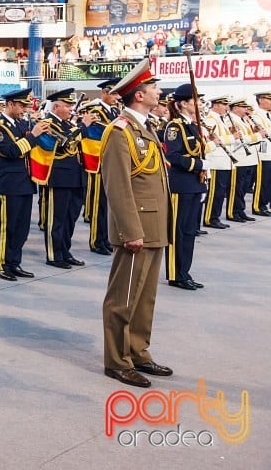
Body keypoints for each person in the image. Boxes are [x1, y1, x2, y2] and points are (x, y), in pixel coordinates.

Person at [100, 59, 172, 388]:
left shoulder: (146, 127)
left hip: (154, 225)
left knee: (145, 299)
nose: (159, 91)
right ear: (140, 94)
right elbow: (117, 185)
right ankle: (117, 360)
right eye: (154, 87)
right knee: (123, 298)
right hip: (137, 228)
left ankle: (138, 350)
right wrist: (130, 231)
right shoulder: (119, 132)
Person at [0, 88, 50, 281]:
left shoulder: (22, 124)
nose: (25, 109)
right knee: (8, 226)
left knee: (22, 227)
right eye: (22, 105)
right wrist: (33, 136)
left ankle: (14, 262)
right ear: (10, 104)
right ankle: (1, 263)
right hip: (9, 184)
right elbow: (12, 151)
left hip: (25, 182)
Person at [37, 88, 91, 269]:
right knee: (57, 218)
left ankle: (65, 251)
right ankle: (54, 254)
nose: (71, 109)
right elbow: (62, 143)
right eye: (67, 105)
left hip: (76, 176)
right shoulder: (47, 123)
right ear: (57, 106)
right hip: (59, 177)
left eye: (70, 105)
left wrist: (80, 128)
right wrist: (82, 126)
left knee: (70, 218)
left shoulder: (69, 124)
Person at [162, 84, 208, 291]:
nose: (198, 104)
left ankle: (184, 272)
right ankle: (175, 273)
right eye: (194, 100)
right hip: (180, 184)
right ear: (182, 104)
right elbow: (172, 156)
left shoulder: (193, 126)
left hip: (194, 185)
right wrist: (199, 165)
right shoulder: (175, 127)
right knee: (177, 231)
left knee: (189, 231)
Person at [84, 80, 120, 254]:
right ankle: (97, 241)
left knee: (110, 205)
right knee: (99, 205)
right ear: (103, 93)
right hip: (100, 163)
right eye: (112, 94)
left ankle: (106, 238)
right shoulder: (96, 111)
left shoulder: (114, 111)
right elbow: (95, 136)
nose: (116, 97)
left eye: (116, 94)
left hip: (111, 163)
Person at [202, 96, 234, 228]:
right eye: (223, 104)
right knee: (215, 192)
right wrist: (233, 136)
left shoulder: (222, 120)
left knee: (220, 193)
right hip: (216, 161)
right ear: (216, 105)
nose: (226, 107)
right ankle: (210, 218)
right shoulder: (210, 119)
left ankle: (215, 217)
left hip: (224, 161)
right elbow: (214, 139)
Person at [226, 97, 259, 222]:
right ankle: (233, 212)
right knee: (237, 188)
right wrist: (256, 136)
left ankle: (240, 210)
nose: (246, 110)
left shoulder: (243, 120)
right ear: (235, 108)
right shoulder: (231, 121)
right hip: (240, 159)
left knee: (244, 188)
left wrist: (255, 132)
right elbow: (239, 139)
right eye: (243, 107)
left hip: (249, 159)